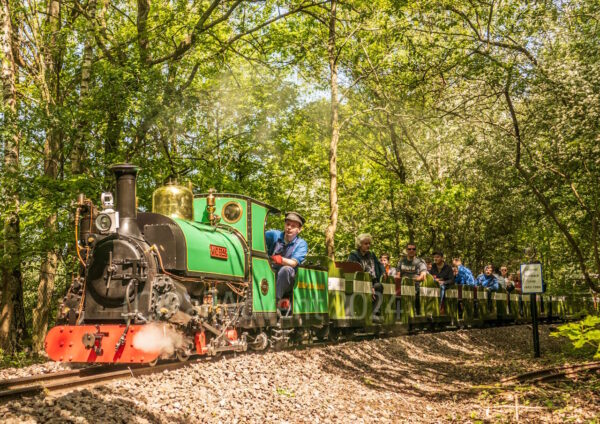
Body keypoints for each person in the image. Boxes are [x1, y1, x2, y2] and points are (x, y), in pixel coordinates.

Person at [265, 212, 308, 306]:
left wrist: (278, 259)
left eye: (293, 226)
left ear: (299, 230)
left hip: (288, 280)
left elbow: (293, 263)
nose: (289, 227)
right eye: (288, 224)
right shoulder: (274, 235)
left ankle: (274, 303)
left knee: (286, 269)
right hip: (270, 271)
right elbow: (258, 236)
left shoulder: (301, 244)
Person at [348, 234, 385, 317]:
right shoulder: (353, 255)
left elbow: (379, 264)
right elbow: (355, 271)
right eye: (366, 244)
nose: (368, 245)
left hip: (371, 281)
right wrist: (369, 286)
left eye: (369, 244)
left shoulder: (371, 254)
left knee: (379, 286)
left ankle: (373, 313)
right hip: (359, 282)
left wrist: (383, 272)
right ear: (360, 244)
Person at [397, 243, 428, 315]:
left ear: (415, 251)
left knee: (417, 295)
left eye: (413, 249)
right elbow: (398, 275)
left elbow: (423, 276)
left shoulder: (420, 262)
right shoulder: (401, 261)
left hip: (416, 286)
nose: (411, 250)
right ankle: (398, 315)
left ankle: (417, 314)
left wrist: (411, 280)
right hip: (403, 285)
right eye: (409, 249)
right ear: (406, 250)